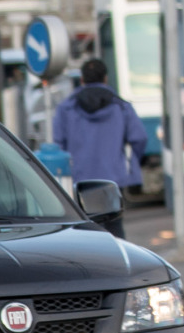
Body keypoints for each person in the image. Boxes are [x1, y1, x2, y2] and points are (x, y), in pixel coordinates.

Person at [50, 57, 149, 222]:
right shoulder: (121, 106)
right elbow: (139, 138)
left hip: (79, 182)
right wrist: (128, 165)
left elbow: (58, 145)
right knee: (114, 229)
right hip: (113, 181)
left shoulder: (66, 108)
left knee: (86, 232)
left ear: (82, 79)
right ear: (105, 78)